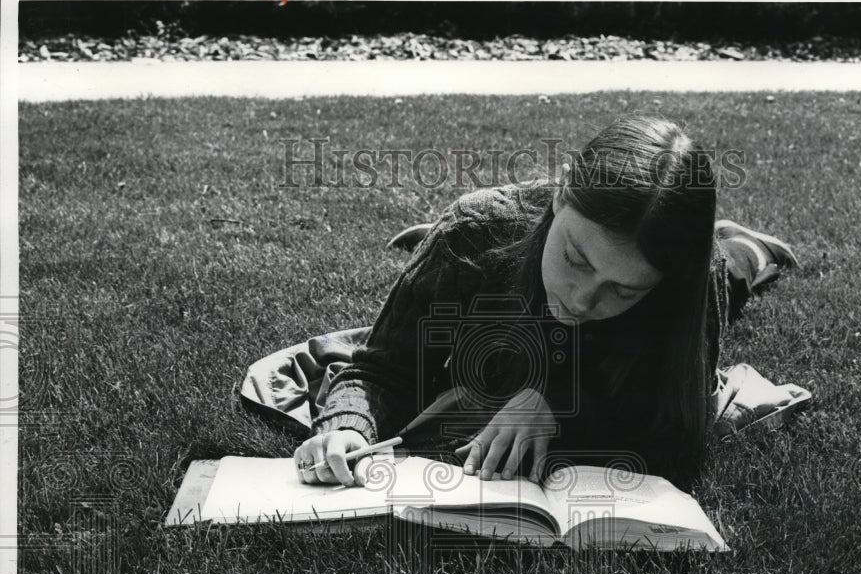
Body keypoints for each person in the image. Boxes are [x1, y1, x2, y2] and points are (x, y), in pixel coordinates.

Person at [244, 115, 799, 493]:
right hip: (500, 234)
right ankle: (446, 240)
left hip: (709, 270)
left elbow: (675, 433)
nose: (582, 299)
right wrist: (348, 427)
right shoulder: (474, 235)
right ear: (560, 195)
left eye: (623, 290)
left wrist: (556, 406)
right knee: (471, 239)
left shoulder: (684, 286)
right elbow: (381, 366)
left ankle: (749, 249)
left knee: (729, 275)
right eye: (577, 258)